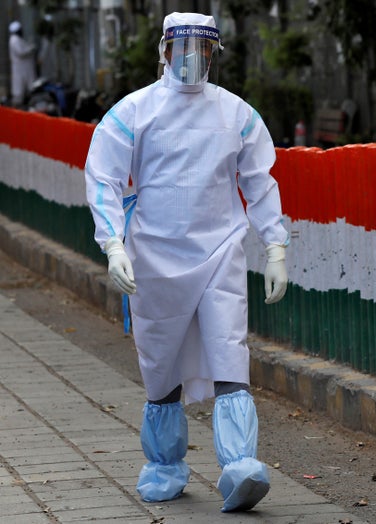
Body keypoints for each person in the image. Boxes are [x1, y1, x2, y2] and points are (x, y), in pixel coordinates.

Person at [84, 12, 289, 513]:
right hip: (153, 255)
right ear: (165, 49)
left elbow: (259, 180)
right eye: (184, 46)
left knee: (228, 350)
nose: (193, 56)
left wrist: (276, 245)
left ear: (215, 53)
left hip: (220, 249)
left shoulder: (236, 114)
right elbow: (102, 177)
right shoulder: (134, 112)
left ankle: (239, 465)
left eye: (203, 47)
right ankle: (165, 464)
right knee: (161, 366)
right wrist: (113, 244)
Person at [8, 20, 37, 107]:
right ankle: (17, 107)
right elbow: (21, 52)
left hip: (25, 68)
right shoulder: (14, 40)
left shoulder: (18, 39)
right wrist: (31, 48)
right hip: (20, 69)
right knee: (19, 89)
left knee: (29, 86)